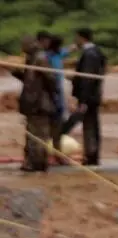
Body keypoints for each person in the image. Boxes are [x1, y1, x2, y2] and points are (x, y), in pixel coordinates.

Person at [14, 37, 61, 173]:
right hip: (31, 104)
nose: (22, 49)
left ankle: (39, 163)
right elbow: (29, 80)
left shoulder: (40, 59)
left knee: (40, 136)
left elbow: (51, 79)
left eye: (23, 45)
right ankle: (31, 162)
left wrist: (52, 96)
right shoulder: (31, 59)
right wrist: (16, 72)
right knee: (31, 135)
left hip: (40, 104)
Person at [60, 29, 106, 166]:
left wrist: (83, 100)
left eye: (76, 38)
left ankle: (91, 157)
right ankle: (92, 156)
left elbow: (88, 79)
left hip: (88, 98)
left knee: (86, 125)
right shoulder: (96, 52)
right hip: (93, 96)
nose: (75, 41)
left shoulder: (89, 54)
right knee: (90, 124)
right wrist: (75, 79)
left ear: (82, 38)